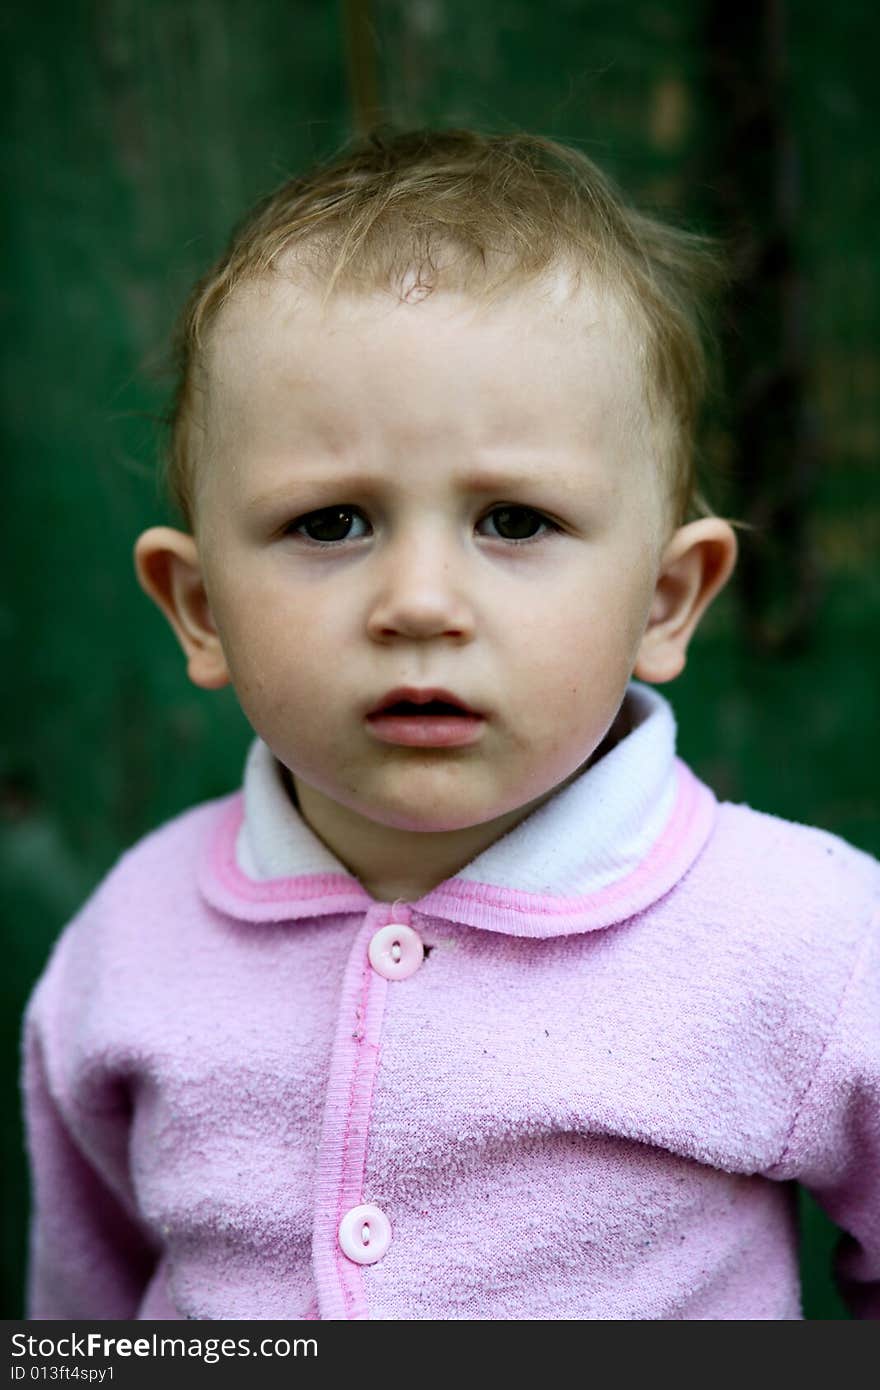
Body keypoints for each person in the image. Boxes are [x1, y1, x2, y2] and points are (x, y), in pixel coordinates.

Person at [21, 126, 879, 1321]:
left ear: (665, 599)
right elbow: (85, 1309)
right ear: (201, 608)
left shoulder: (807, 943)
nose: (420, 602)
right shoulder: (132, 944)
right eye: (329, 525)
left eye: (515, 522)